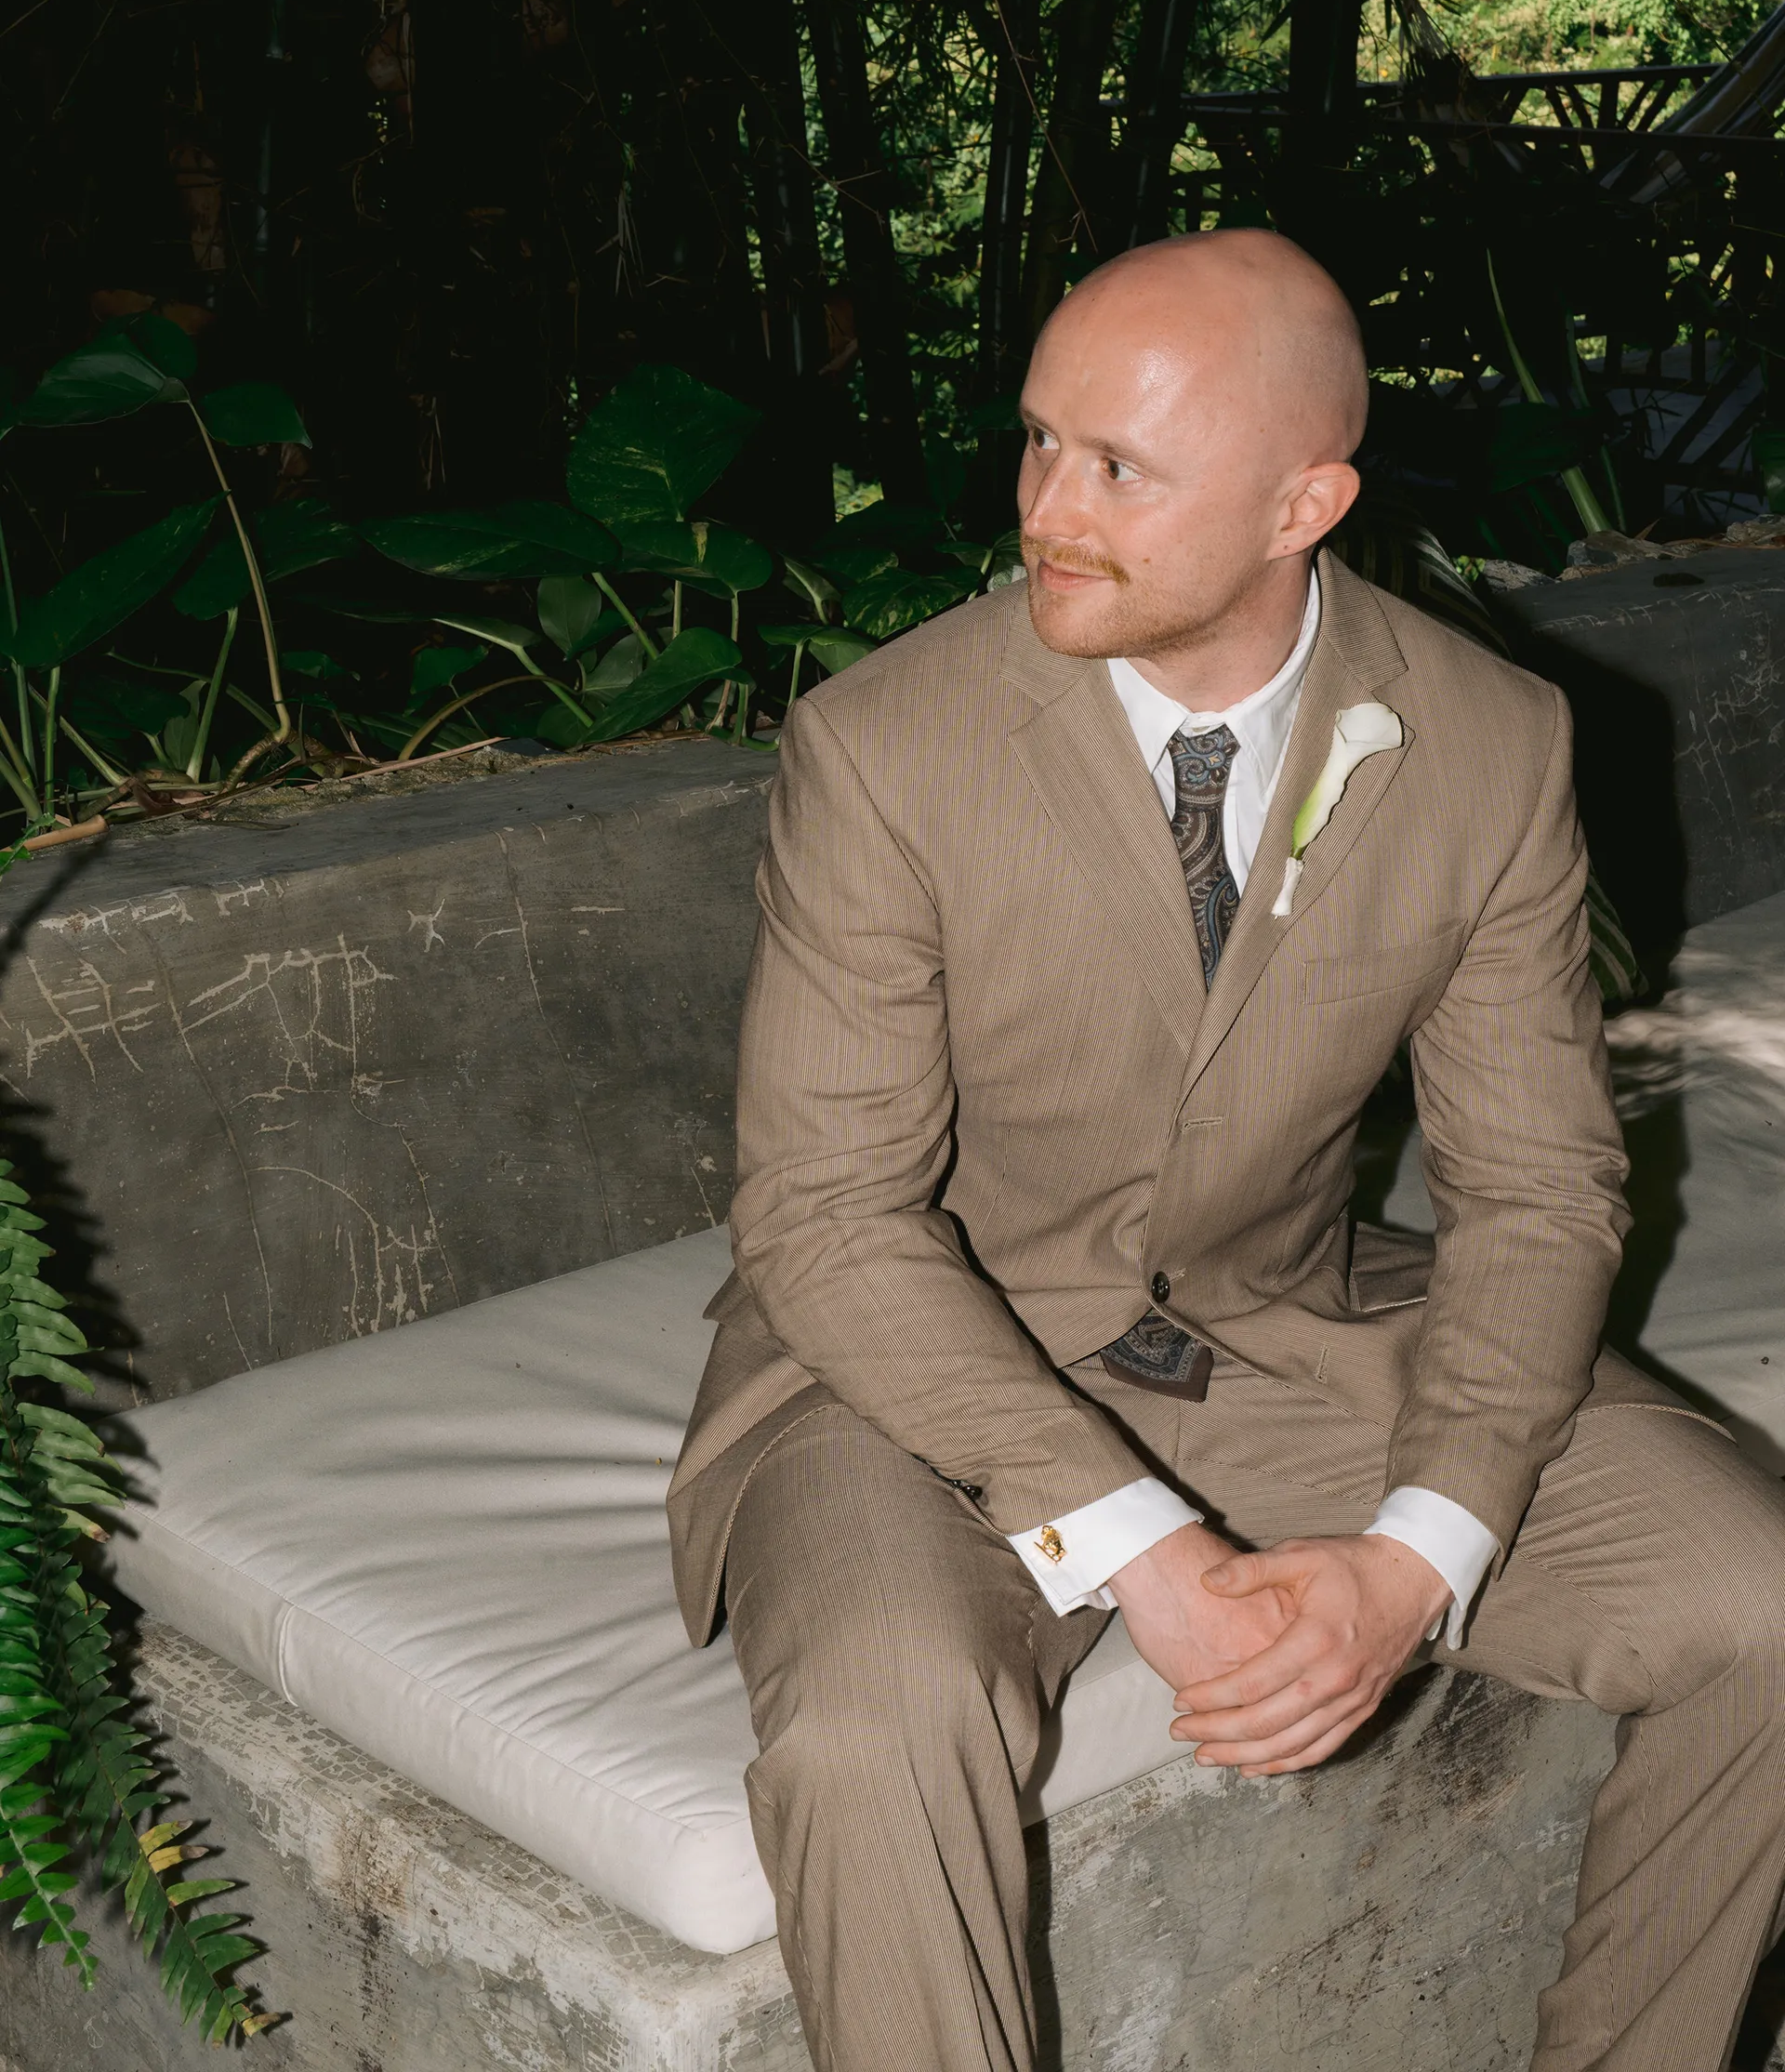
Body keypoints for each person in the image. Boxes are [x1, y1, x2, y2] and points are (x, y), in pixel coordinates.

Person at [668, 229, 1785, 2072]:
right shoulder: (884, 748)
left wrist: (1421, 1551)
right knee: (876, 1730)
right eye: (1037, 441)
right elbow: (828, 1212)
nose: (1044, 504)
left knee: (1761, 1609)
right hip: (905, 1372)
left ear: (1303, 504)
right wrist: (1151, 1560)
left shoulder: (1490, 740)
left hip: (1289, 1323)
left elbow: (1537, 1188)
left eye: (1119, 466)